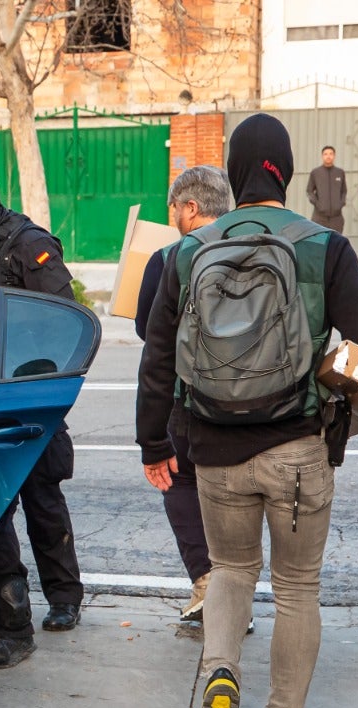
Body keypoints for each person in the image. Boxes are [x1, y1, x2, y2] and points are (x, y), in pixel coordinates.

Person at [137, 112, 358, 708]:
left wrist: (153, 445)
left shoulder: (184, 253)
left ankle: (222, 679)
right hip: (296, 451)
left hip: (215, 448)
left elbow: (156, 358)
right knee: (296, 588)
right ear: (286, 173)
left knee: (230, 572)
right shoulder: (323, 246)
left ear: (233, 173)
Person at [0, 161, 82, 669]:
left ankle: (64, 597)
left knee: (43, 499)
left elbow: (64, 318)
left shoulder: (26, 242)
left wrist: (48, 384)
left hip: (28, 391)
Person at [133, 165, 230, 621]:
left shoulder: (170, 257)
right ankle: (237, 595)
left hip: (188, 399)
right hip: (262, 400)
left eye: (173, 207)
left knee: (179, 479)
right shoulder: (262, 247)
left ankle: (209, 584)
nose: (171, 216)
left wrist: (151, 441)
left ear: (190, 207)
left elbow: (147, 333)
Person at [305, 145, 347, 233]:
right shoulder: (315, 172)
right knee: (320, 244)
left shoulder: (340, 172)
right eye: (325, 154)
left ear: (334, 156)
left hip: (337, 218)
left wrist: (340, 204)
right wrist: (318, 204)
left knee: (336, 244)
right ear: (322, 156)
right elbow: (309, 191)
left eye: (331, 154)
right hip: (319, 217)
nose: (328, 156)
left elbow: (344, 191)